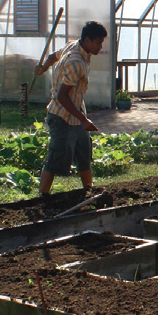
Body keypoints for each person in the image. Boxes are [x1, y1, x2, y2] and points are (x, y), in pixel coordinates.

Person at [35, 20, 108, 196]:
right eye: (98, 43)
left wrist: (44, 68)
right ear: (88, 41)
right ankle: (43, 196)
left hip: (76, 113)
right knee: (56, 157)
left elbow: (53, 56)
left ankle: (88, 191)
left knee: (84, 153)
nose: (100, 47)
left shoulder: (73, 45)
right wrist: (83, 119)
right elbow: (62, 96)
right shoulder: (76, 61)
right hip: (62, 116)